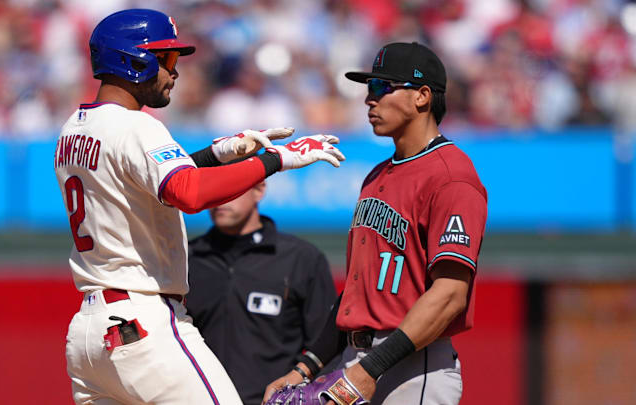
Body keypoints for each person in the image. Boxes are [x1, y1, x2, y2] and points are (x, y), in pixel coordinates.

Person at [54, 9, 345, 405]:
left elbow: (142, 179)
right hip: (144, 323)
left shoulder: (74, 128)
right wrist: (276, 160)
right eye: (166, 58)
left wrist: (213, 154)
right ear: (132, 59)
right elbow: (188, 194)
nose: (173, 72)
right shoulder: (137, 125)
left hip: (89, 333)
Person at [263, 42, 488, 405]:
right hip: (355, 359)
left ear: (423, 97)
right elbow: (359, 289)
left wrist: (370, 369)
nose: (371, 99)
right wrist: (305, 367)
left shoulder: (452, 176)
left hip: (413, 366)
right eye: (369, 89)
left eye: (384, 87)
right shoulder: (376, 176)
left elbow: (450, 294)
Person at [186, 181, 338, 405]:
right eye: (213, 188)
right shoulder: (184, 260)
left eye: (230, 188)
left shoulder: (302, 259)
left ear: (259, 190)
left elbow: (326, 347)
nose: (220, 199)